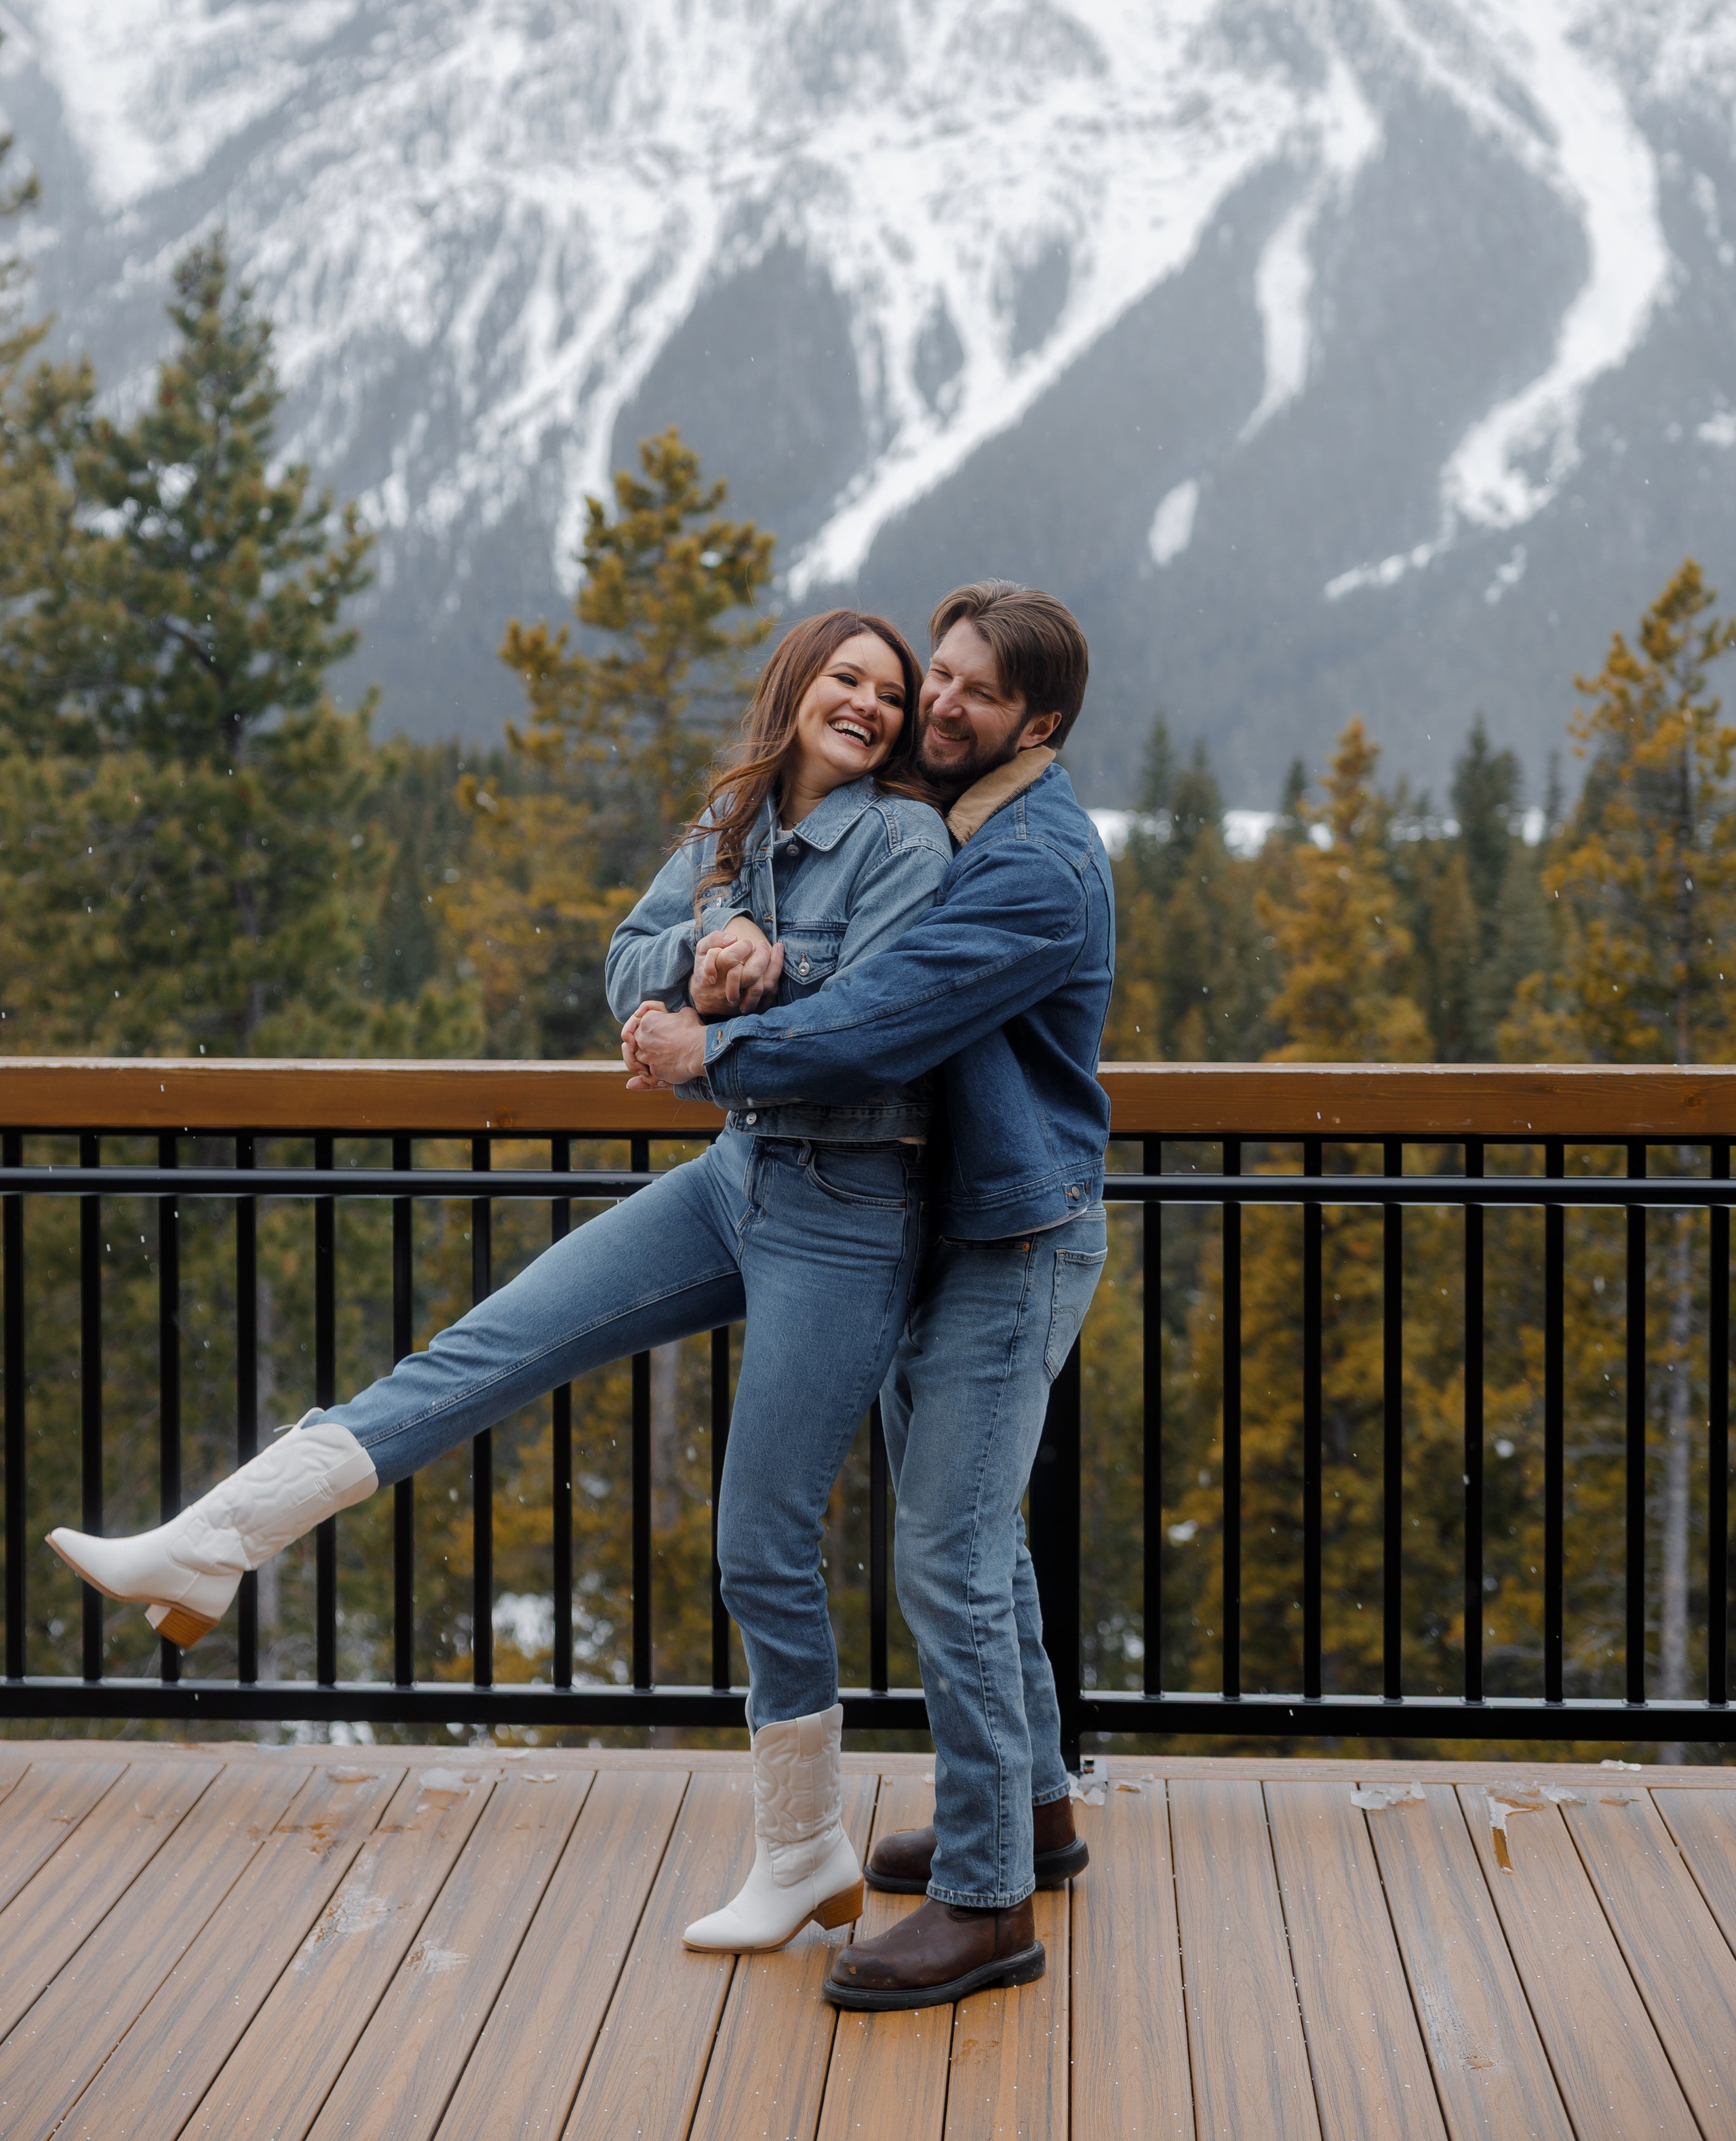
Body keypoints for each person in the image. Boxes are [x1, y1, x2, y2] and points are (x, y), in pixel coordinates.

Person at [47, 608, 955, 1956]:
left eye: (889, 694)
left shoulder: (903, 840)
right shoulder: (731, 822)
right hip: (736, 1178)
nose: (870, 707)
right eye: (846, 678)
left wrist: (759, 984)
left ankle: (802, 1849)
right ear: (795, 683)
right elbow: (625, 962)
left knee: (761, 1537)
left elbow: (878, 1027)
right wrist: (680, 983)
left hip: (847, 1208)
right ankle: (216, 1543)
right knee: (480, 1349)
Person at [625, 578, 1116, 2013]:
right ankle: (1025, 1813)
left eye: (972, 692)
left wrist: (712, 1052)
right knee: (981, 1543)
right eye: (937, 678)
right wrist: (728, 957)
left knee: (948, 1557)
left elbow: (880, 1015)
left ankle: (984, 1906)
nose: (940, 706)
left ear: (1042, 722)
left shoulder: (1035, 865)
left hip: (1013, 1238)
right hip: (950, 1219)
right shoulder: (959, 818)